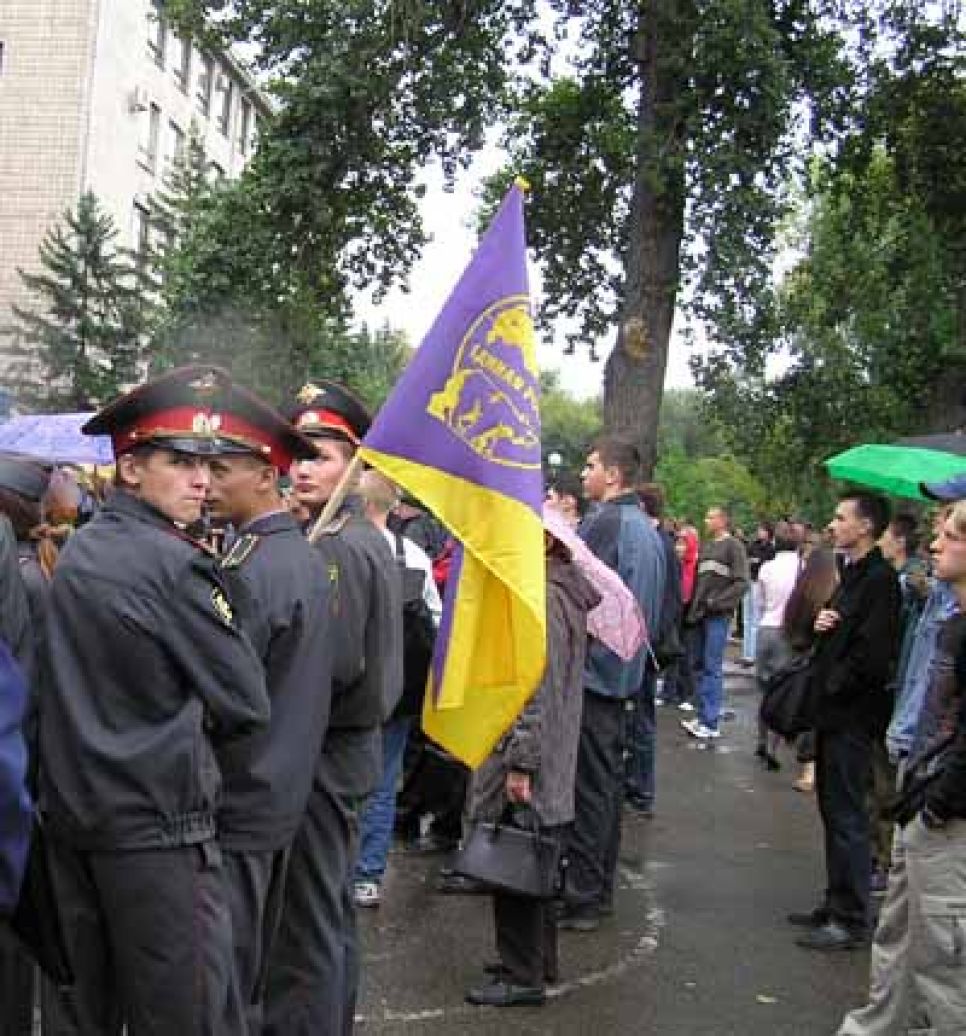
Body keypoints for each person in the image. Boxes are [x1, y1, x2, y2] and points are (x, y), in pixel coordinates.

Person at [39, 366, 271, 1034]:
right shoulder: (176, 564)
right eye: (178, 462)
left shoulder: (83, 550)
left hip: (78, 822)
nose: (201, 479)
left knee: (86, 1014)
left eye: (205, 465)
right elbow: (247, 700)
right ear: (131, 470)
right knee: (189, 1016)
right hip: (159, 834)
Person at [264, 380, 402, 1036]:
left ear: (357, 465)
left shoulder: (338, 547)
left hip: (323, 756)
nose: (301, 467)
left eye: (320, 455)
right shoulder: (349, 536)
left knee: (307, 927)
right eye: (297, 454)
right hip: (340, 755)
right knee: (328, 918)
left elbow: (334, 667)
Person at [202, 380, 335, 1031]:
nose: (206, 481)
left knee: (226, 974)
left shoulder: (258, 567)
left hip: (244, 795)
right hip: (277, 790)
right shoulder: (291, 554)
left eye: (220, 469)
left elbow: (224, 693)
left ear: (264, 474)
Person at [837, 499, 966, 1035]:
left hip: (948, 815)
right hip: (923, 794)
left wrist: (939, 805)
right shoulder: (948, 614)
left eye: (952, 534)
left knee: (944, 956)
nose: (934, 543)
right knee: (900, 931)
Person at [464, 515, 600, 1006]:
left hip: (529, 754)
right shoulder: (564, 591)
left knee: (515, 859)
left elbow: (532, 687)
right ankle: (537, 961)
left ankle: (521, 976)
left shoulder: (537, 595)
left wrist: (522, 762)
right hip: (553, 749)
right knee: (536, 858)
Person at [557, 436, 663, 931]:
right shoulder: (645, 527)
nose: (584, 474)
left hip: (598, 676)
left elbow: (582, 591)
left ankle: (582, 894)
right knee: (606, 787)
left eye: (591, 465)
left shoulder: (606, 522)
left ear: (614, 476)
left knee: (590, 789)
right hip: (627, 676)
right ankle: (595, 889)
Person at [790, 490, 900, 952]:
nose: (832, 525)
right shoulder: (852, 576)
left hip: (853, 718)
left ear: (866, 527)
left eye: (841, 518)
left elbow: (873, 659)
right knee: (833, 811)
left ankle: (851, 915)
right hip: (835, 715)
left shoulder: (880, 582)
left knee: (848, 814)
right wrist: (823, 626)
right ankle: (836, 900)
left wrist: (833, 682)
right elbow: (840, 634)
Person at [352, 469, 441, 909]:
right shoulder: (414, 555)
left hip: (351, 685)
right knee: (384, 780)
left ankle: (339, 864)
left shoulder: (341, 549)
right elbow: (435, 620)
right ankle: (367, 874)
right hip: (400, 687)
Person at [625, 482, 681, 815]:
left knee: (641, 720)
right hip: (648, 644)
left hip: (646, 647)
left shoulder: (657, 544)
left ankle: (640, 791)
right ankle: (636, 786)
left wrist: (648, 644)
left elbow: (668, 600)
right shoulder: (660, 543)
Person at [681, 506, 749, 740]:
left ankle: (710, 722)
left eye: (710, 516)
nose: (706, 520)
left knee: (712, 667)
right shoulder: (707, 547)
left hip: (718, 617)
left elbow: (742, 583)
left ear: (723, 520)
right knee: (699, 665)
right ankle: (702, 715)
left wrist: (717, 602)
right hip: (700, 615)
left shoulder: (734, 547)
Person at [781, 547, 841, 793]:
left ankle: (805, 766)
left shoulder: (803, 591)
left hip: (802, 656)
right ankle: (810, 769)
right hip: (818, 663)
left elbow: (791, 626)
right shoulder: (832, 594)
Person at [753, 520, 802, 770]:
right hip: (788, 632)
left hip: (766, 628)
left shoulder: (766, 568)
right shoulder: (802, 568)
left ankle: (761, 740)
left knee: (764, 689)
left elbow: (760, 601)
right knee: (782, 692)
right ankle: (773, 746)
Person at [742, 521, 776, 665]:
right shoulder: (752, 545)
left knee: (755, 619)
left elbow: (765, 565)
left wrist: (756, 561)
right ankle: (746, 654)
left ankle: (753, 655)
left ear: (768, 532)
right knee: (746, 619)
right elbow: (747, 560)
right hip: (749, 581)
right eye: (759, 529)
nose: (759, 532)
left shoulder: (771, 548)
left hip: (759, 583)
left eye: (762, 530)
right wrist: (753, 561)